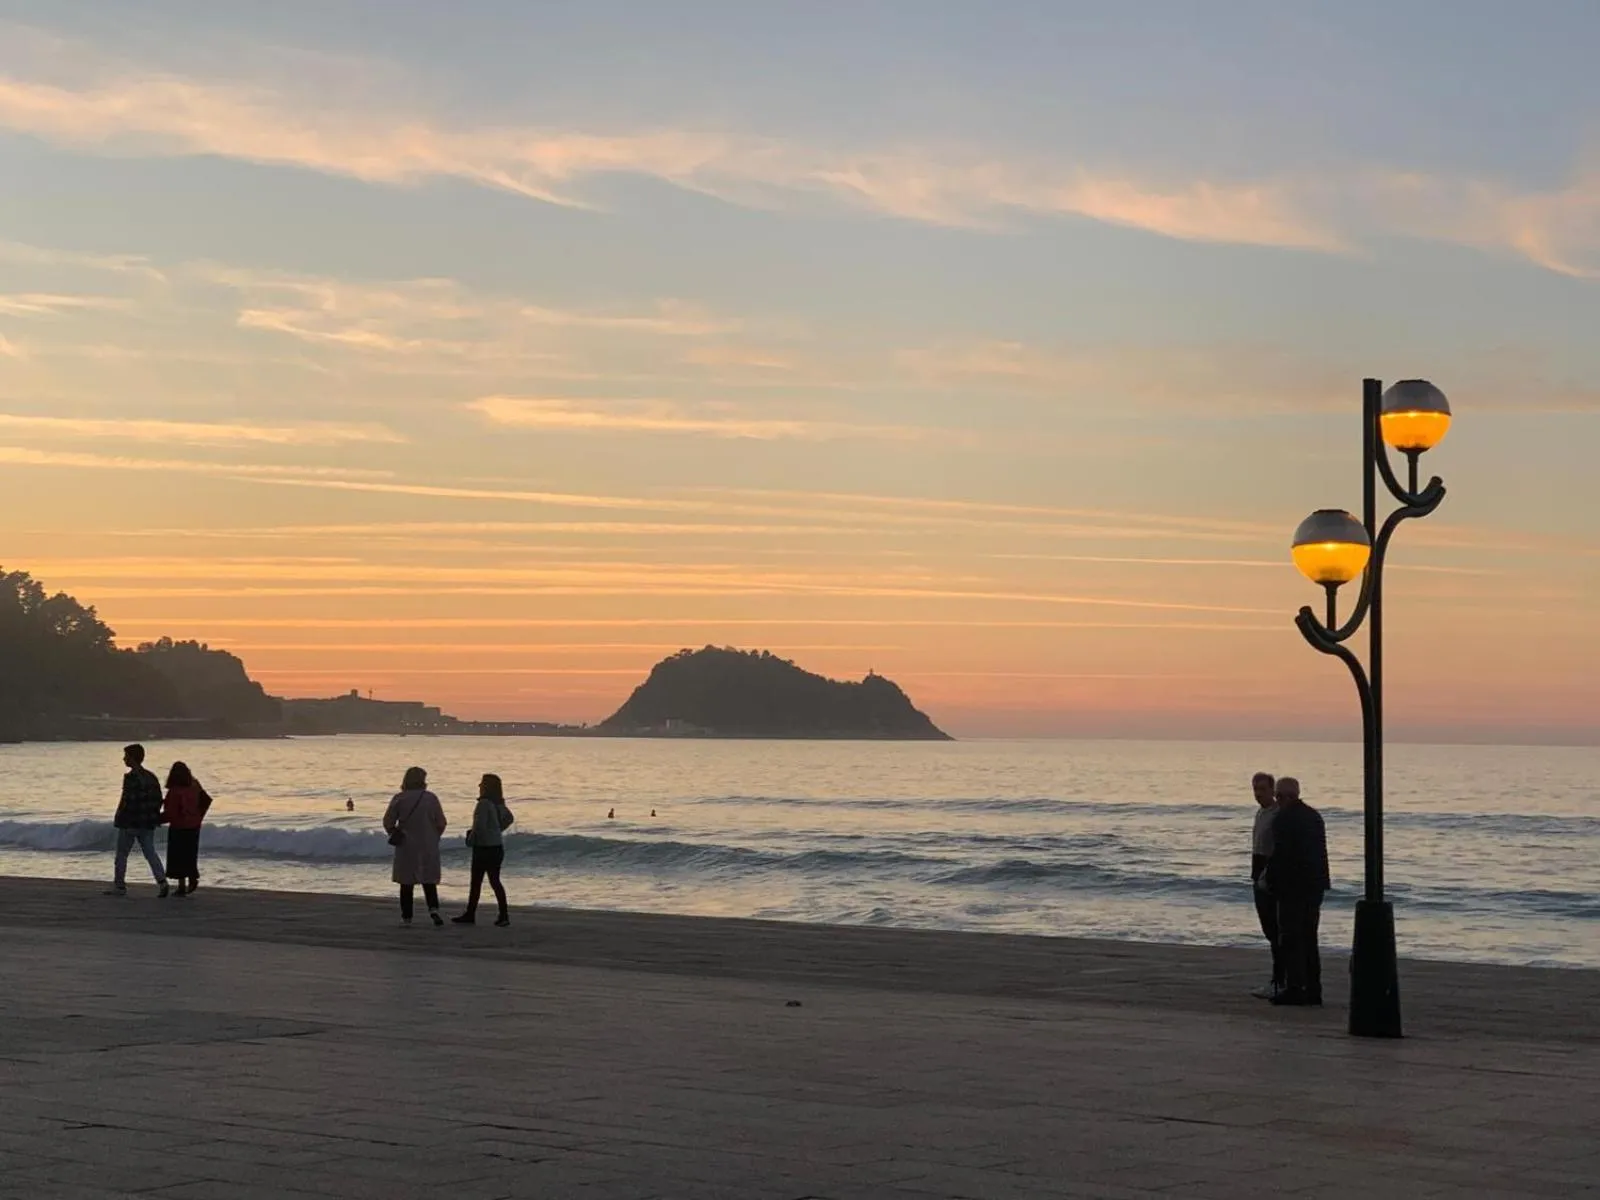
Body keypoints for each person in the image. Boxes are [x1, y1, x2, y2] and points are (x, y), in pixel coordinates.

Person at [1266, 777, 1330, 1007]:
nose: (1276, 800)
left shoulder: (1282, 818)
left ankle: (1295, 987)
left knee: (1291, 937)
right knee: (1309, 937)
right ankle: (1313, 988)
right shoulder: (1314, 816)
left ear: (1282, 796)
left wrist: (1269, 881)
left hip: (1292, 887)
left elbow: (1281, 854)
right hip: (1315, 885)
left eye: (1277, 796)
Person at [383, 767, 447, 927]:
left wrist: (394, 832)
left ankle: (407, 918)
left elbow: (388, 821)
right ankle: (434, 910)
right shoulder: (431, 798)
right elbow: (441, 822)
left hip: (406, 845)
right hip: (428, 844)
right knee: (429, 880)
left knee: (406, 883)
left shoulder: (400, 798)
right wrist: (434, 837)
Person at [452, 773, 515, 927]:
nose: (479, 786)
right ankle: (504, 915)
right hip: (497, 847)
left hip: (483, 848)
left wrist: (470, 840)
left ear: (486, 787)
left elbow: (479, 828)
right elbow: (510, 818)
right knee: (495, 881)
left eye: (481, 783)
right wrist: (497, 829)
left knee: (476, 882)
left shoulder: (483, 804)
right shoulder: (499, 804)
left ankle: (470, 914)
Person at [107, 744, 168, 897]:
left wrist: (119, 818)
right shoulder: (151, 777)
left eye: (126, 756)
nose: (124, 759)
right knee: (150, 853)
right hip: (147, 822)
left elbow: (127, 801)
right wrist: (153, 816)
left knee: (122, 854)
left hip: (130, 822)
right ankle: (162, 881)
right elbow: (158, 799)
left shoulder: (130, 778)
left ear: (132, 759)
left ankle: (119, 886)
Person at [1249, 772, 1282, 999]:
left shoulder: (1277, 815)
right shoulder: (1260, 813)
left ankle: (1280, 980)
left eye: (1262, 789)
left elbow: (1279, 849)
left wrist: (1268, 874)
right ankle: (1278, 978)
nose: (1258, 793)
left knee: (1276, 930)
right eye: (1255, 789)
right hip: (1258, 870)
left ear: (1273, 790)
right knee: (1269, 930)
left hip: (1270, 875)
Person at [161, 762, 213, 897]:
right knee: (190, 854)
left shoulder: (175, 790)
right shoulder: (195, 785)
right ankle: (192, 878)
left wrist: (156, 819)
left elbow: (170, 812)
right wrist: (199, 817)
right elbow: (205, 800)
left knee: (177, 857)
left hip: (179, 826)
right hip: (194, 825)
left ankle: (182, 886)